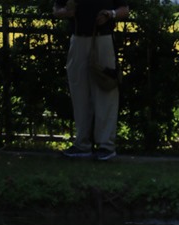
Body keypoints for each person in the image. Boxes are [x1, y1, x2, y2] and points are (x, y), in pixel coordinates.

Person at [53, 0, 128, 161]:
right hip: (78, 39)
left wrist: (110, 14)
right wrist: (65, 12)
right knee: (79, 93)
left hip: (103, 38)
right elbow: (56, 9)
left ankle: (106, 146)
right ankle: (82, 144)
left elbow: (124, 9)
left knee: (106, 90)